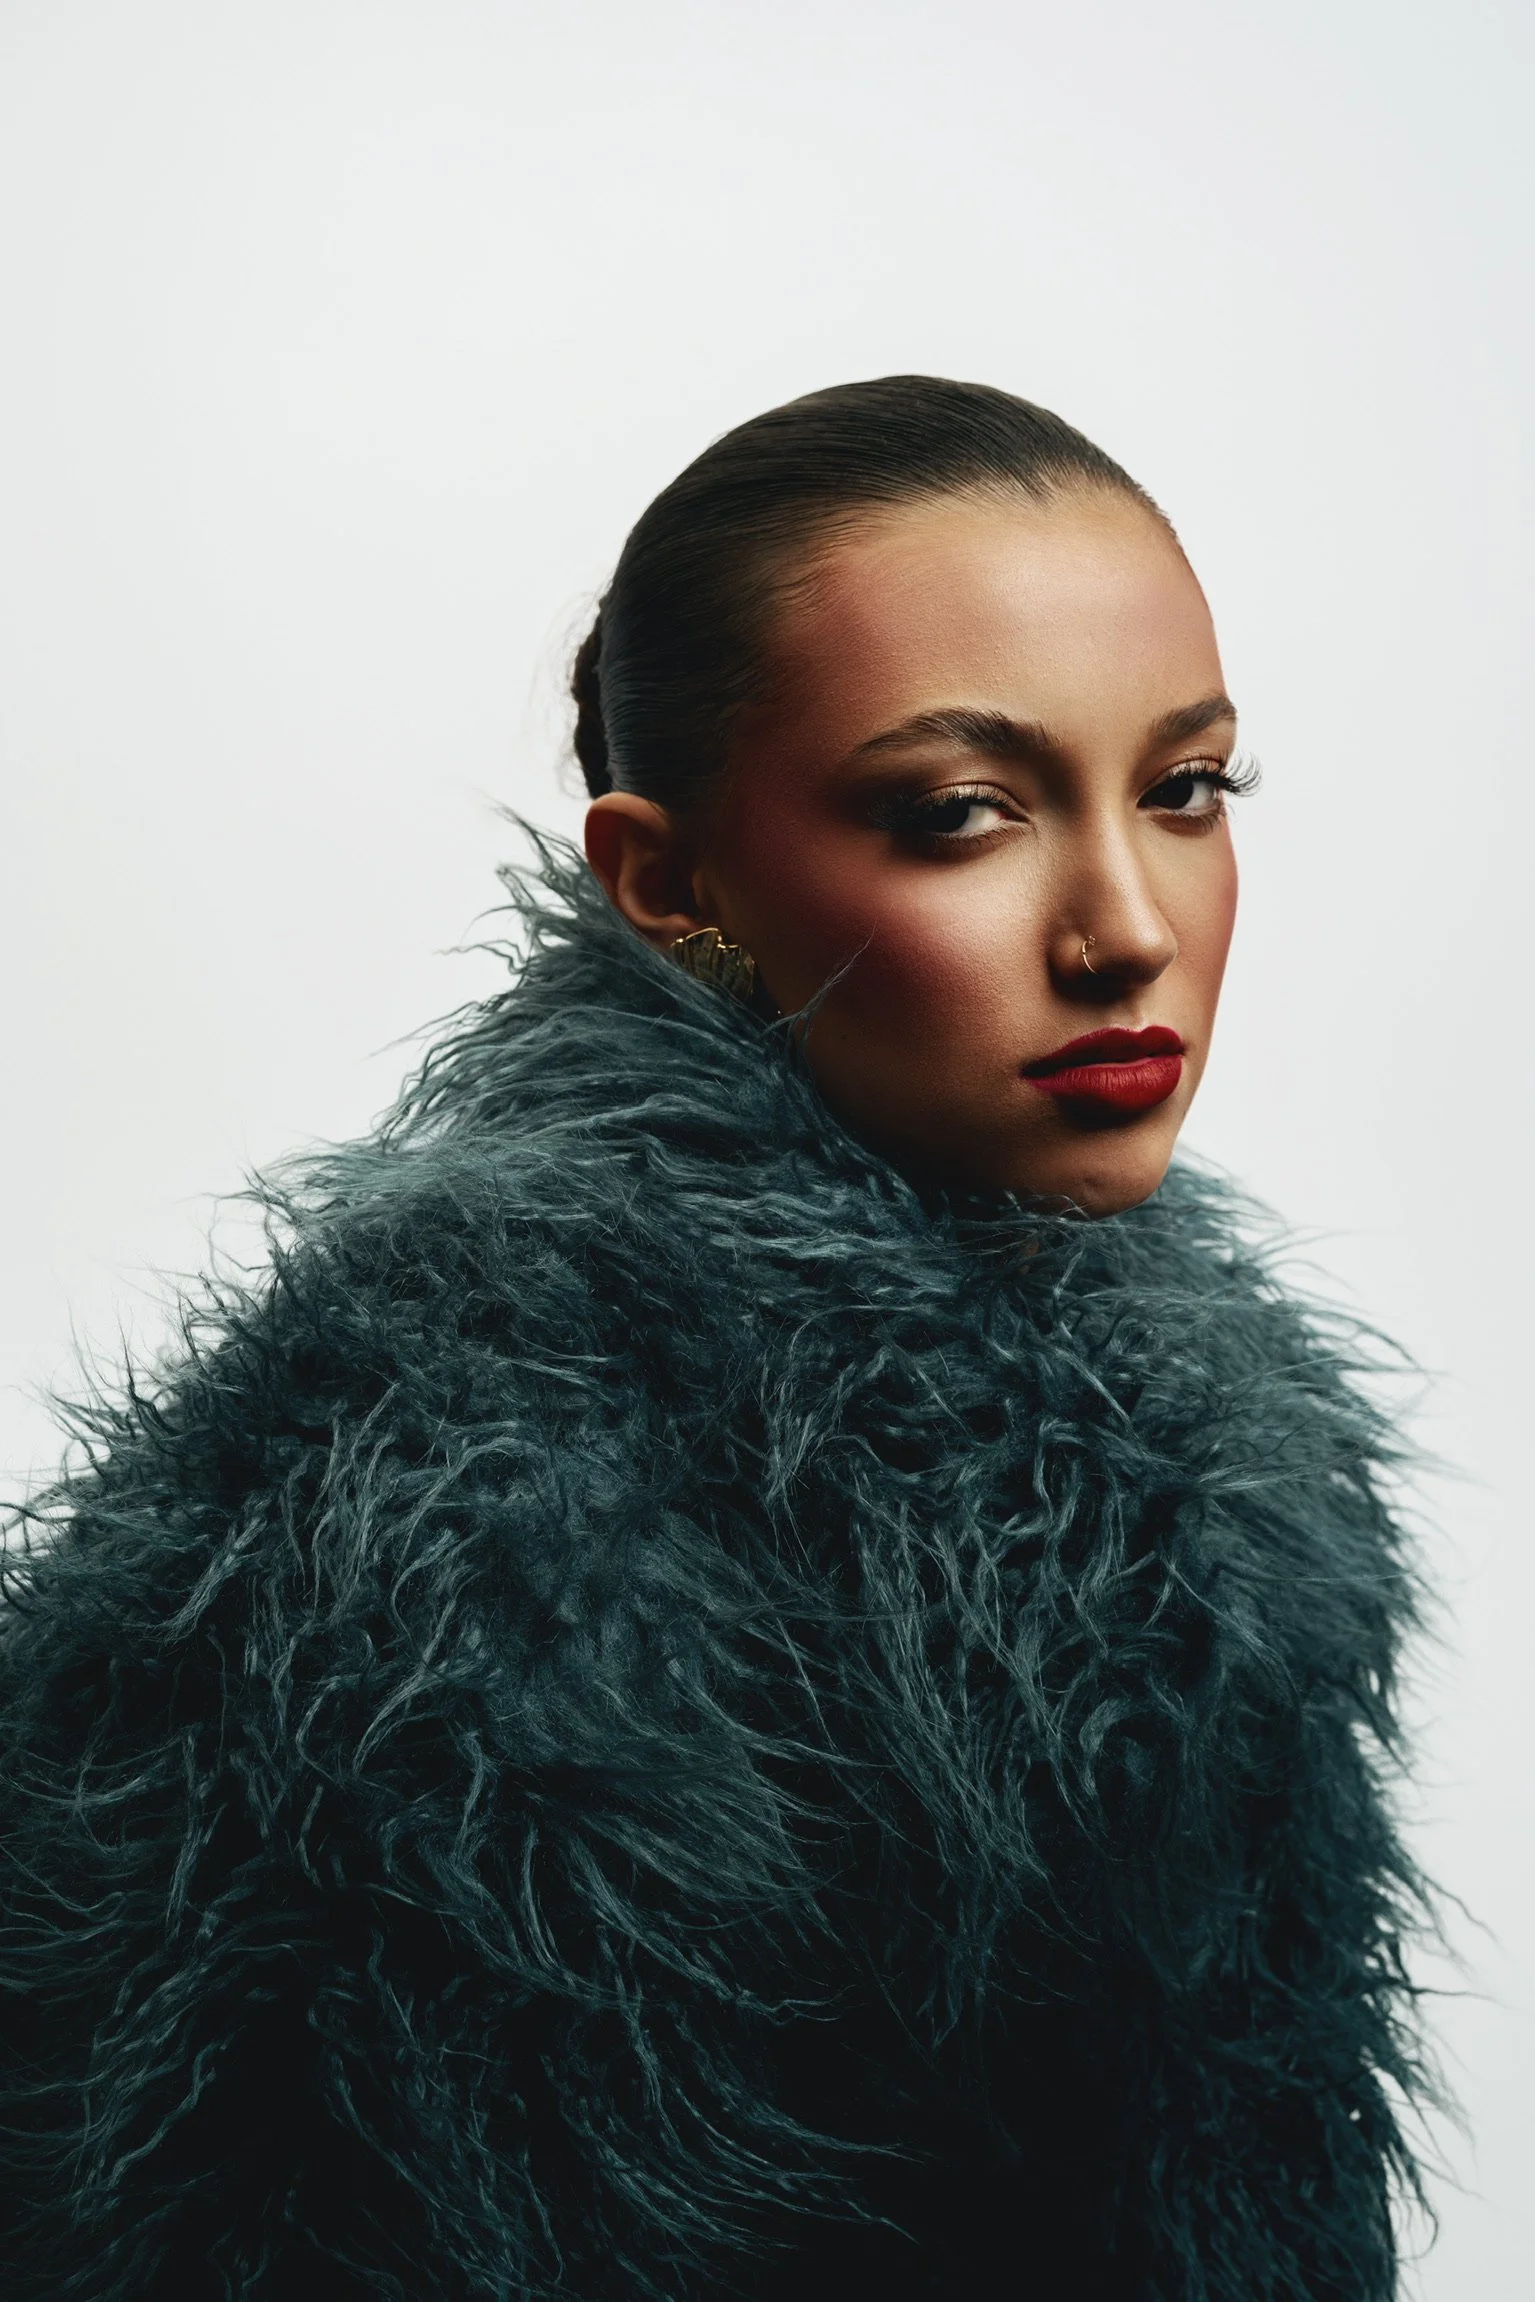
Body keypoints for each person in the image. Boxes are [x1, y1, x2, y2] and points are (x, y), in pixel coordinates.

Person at [0, 378, 1429, 2299]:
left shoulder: (1222, 1472)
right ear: (666, 885)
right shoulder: (472, 1500)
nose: (1124, 925)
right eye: (961, 814)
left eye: (1182, 789)